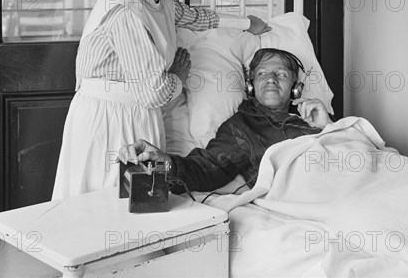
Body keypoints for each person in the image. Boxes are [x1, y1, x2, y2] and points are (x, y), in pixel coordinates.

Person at [52, 0, 271, 199]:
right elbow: (153, 91)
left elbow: (198, 18)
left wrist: (247, 23)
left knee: (141, 217)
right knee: (103, 212)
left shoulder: (160, 2)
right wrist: (178, 75)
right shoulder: (125, 7)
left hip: (139, 118)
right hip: (108, 121)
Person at [119, 48, 333, 192]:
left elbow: (352, 151)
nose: (271, 79)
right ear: (250, 86)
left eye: (281, 74)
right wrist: (162, 160)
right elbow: (204, 169)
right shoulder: (242, 126)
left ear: (296, 88)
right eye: (262, 74)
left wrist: (328, 128)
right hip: (303, 194)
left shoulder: (313, 117)